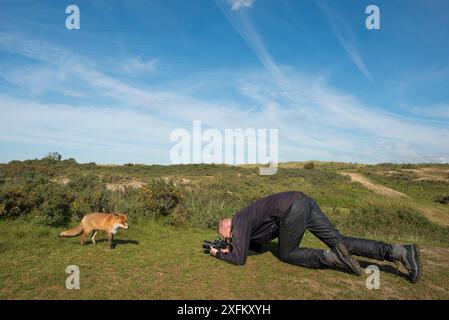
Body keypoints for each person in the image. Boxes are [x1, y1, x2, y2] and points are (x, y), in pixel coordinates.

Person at [209, 191, 421, 283]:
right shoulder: (248, 218)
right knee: (342, 241)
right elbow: (256, 245)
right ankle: (399, 251)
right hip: (303, 201)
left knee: (287, 253)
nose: (230, 239)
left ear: (228, 227)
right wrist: (235, 247)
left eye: (227, 236)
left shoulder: (240, 219)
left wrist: (218, 253)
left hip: (292, 209)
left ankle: (330, 258)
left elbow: (240, 260)